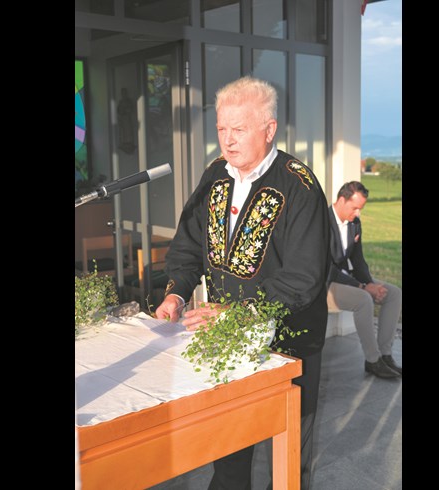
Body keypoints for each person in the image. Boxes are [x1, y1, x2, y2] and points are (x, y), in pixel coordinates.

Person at [156, 76, 330, 489]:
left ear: (268, 130)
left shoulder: (299, 185)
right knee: (229, 449)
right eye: (221, 129)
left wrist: (236, 312)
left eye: (239, 129)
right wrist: (177, 292)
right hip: (225, 341)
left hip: (288, 341)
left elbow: (305, 277)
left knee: (287, 457)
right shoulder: (215, 174)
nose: (228, 140)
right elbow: (188, 244)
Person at [327, 181, 402, 378]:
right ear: (342, 200)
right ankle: (373, 360)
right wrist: (362, 287)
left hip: (346, 278)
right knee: (363, 299)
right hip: (324, 283)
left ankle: (385, 355)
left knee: (394, 293)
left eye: (360, 209)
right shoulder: (321, 222)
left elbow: (358, 260)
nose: (358, 213)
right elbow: (328, 269)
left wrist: (371, 284)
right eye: (355, 208)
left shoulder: (355, 224)